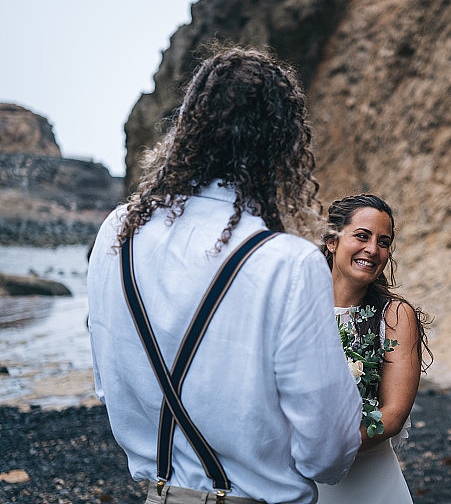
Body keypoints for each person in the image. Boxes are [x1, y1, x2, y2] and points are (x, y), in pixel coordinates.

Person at [87, 47, 362, 504]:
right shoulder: (289, 262)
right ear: (282, 144)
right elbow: (328, 449)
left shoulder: (119, 231)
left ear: (187, 127)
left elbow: (105, 383)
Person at [315, 194, 432, 503]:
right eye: (362, 236)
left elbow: (392, 414)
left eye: (384, 242)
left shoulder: (394, 316)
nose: (373, 249)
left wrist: (322, 450)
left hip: (369, 483)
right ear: (332, 241)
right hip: (297, 480)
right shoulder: (298, 308)